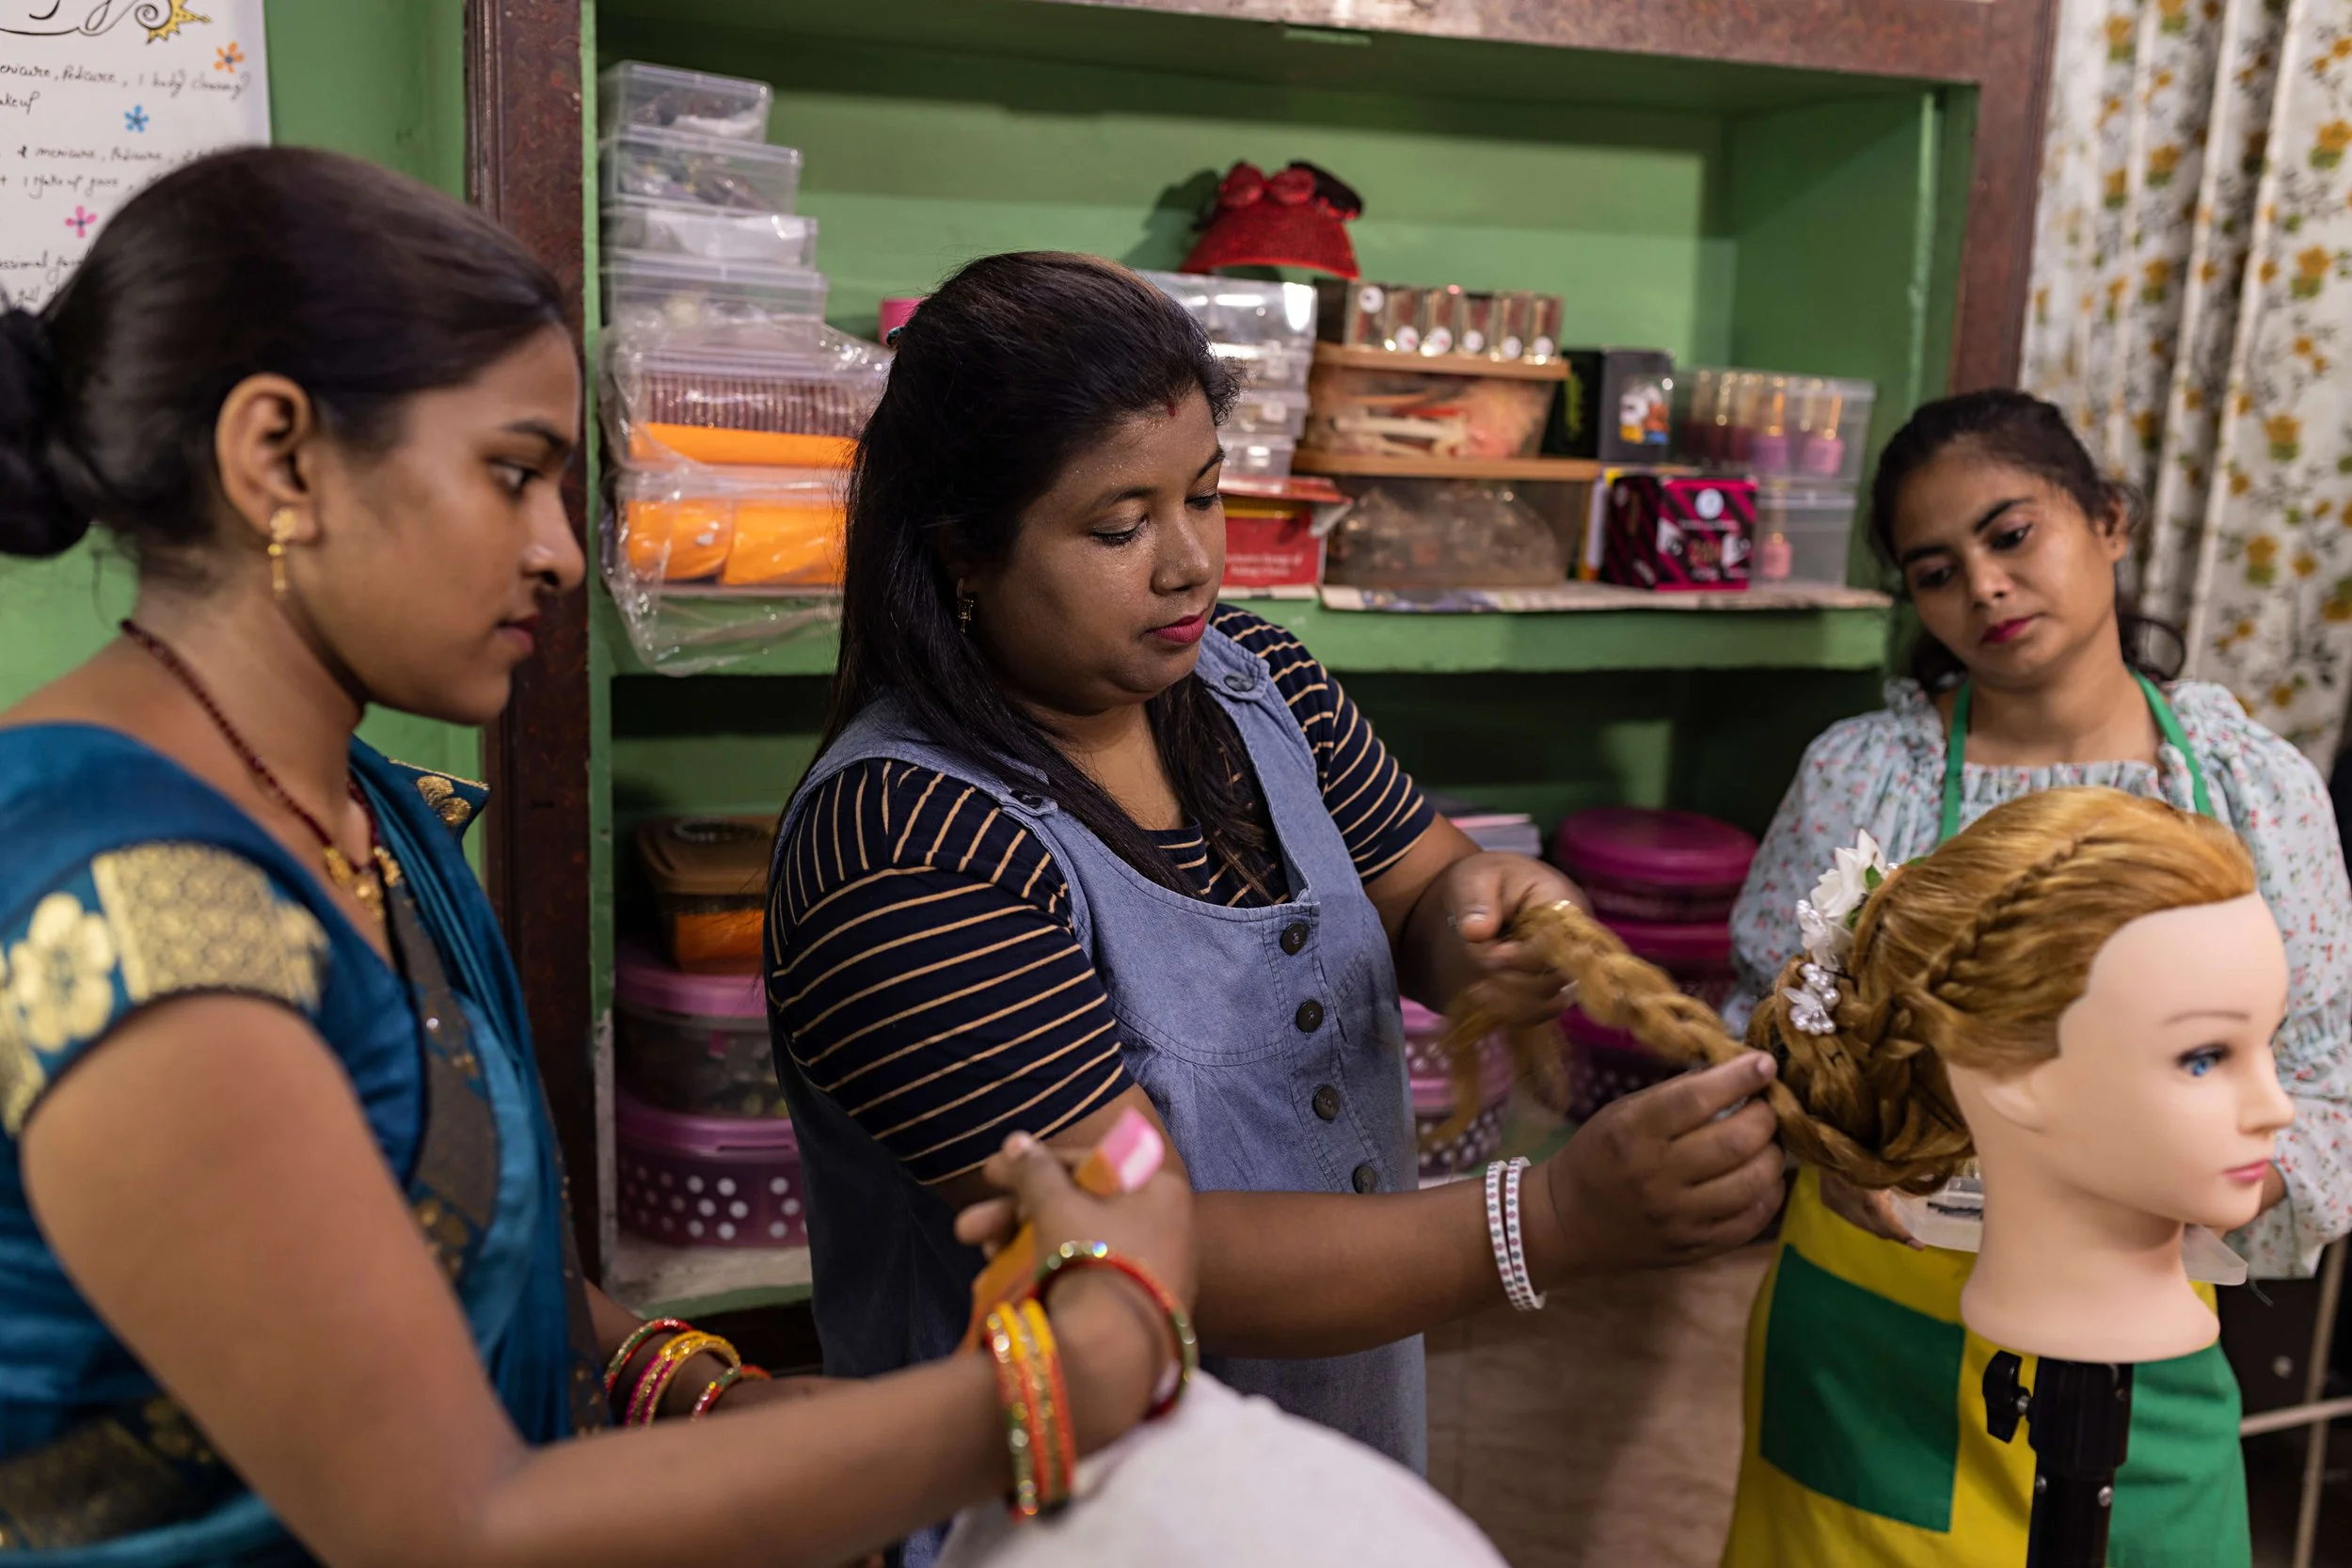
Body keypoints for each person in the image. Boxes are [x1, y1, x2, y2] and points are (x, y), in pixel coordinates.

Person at [0, 147, 1198, 1568]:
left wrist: (696, 1391)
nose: (563, 554)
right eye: (513, 474)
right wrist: (1075, 1371)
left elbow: (458, 1291)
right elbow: (450, 1519)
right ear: (281, 457)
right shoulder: (130, 902)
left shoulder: (362, 816)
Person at [764, 251, 1788, 1566]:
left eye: (1205, 494)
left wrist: (1488, 908)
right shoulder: (908, 844)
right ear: (963, 543)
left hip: (1313, 1484)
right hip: (1065, 1522)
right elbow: (1139, 1245)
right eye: (1120, 524)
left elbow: (1418, 879)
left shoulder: (1260, 685)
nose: (1192, 563)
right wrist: (1553, 1220)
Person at [1715, 389, 2352, 1567]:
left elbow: (2320, 1095)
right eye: (1936, 569)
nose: (1985, 587)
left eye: (2012, 535)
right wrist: (1830, 1142)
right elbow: (1761, 1035)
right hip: (1870, 1342)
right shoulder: (1865, 779)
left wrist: (2189, 1182)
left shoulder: (2249, 790)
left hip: (2140, 1342)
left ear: (2107, 521)